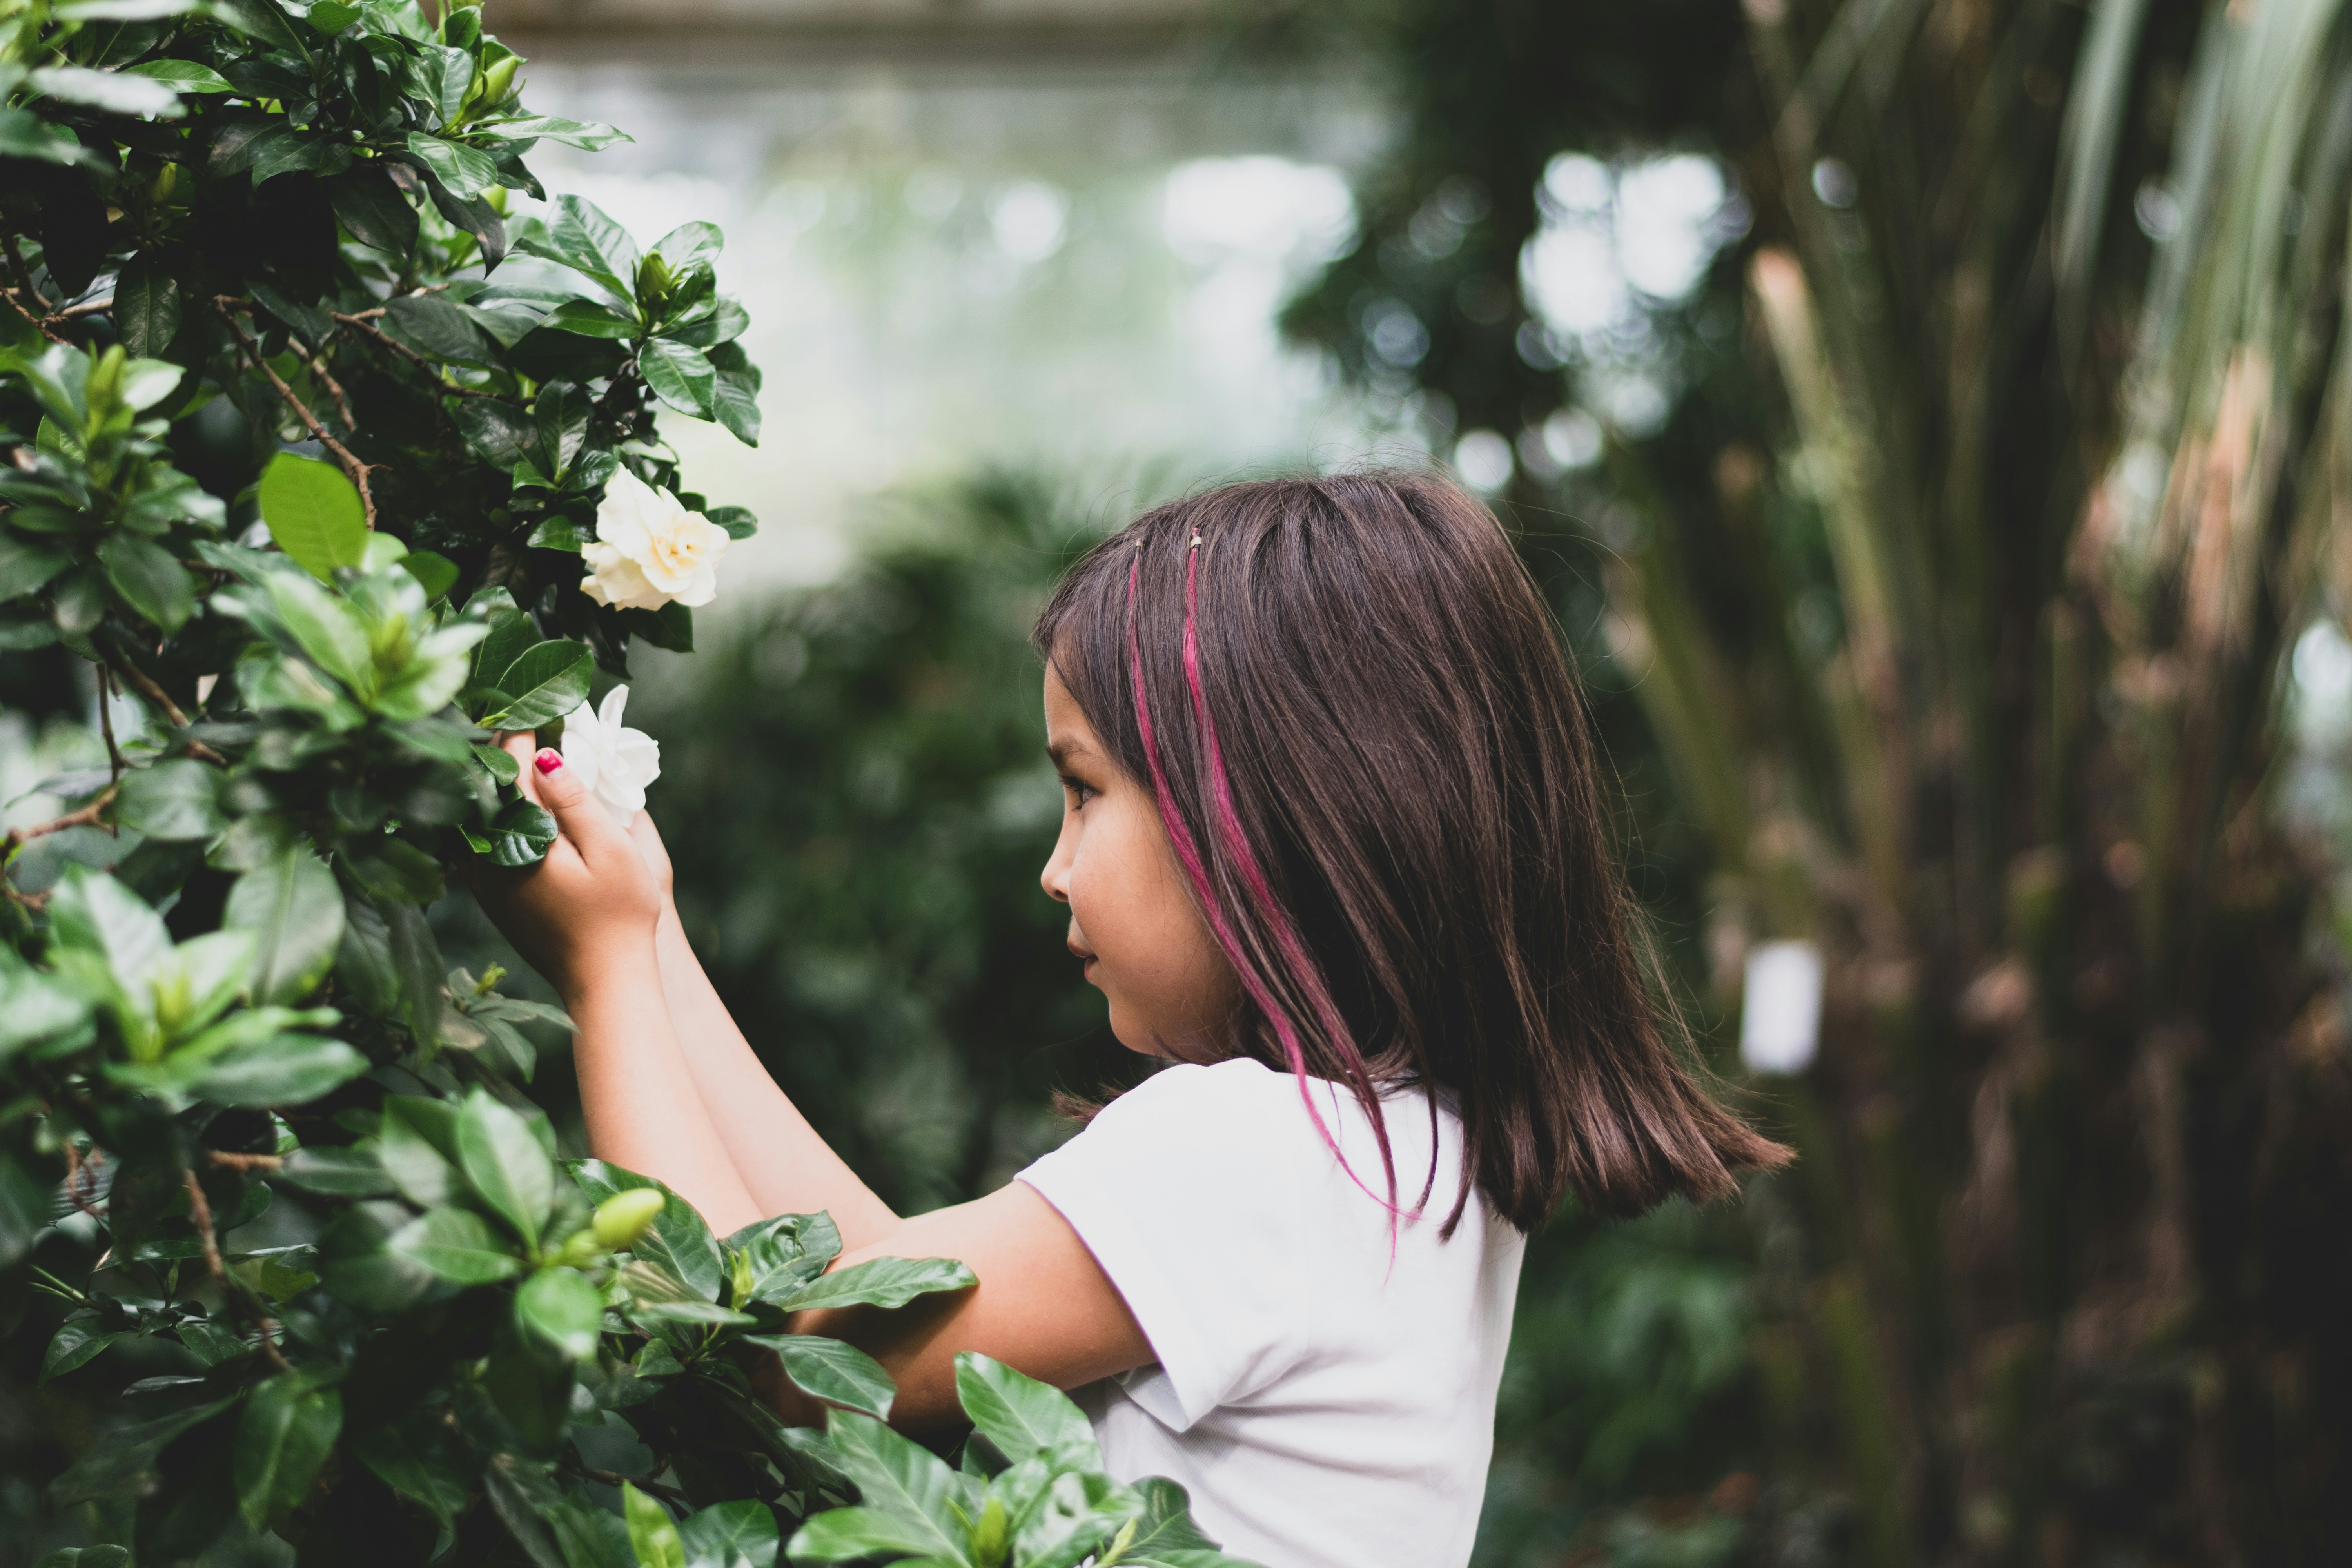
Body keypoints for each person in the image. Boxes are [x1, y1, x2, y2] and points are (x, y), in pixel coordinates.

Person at [473, 471, 1791, 1568]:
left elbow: (778, 1351)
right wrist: (648, 934)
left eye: (1086, 791)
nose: (1055, 863)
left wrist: (602, 976)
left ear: (1274, 817)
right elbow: (874, 1280)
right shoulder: (1400, 1152)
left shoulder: (1268, 1153)